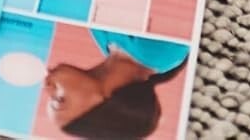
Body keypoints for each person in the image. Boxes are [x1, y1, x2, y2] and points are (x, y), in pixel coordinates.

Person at [43, 30, 189, 138]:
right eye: (59, 100)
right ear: (106, 104)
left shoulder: (104, 40)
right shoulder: (163, 49)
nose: (47, 87)